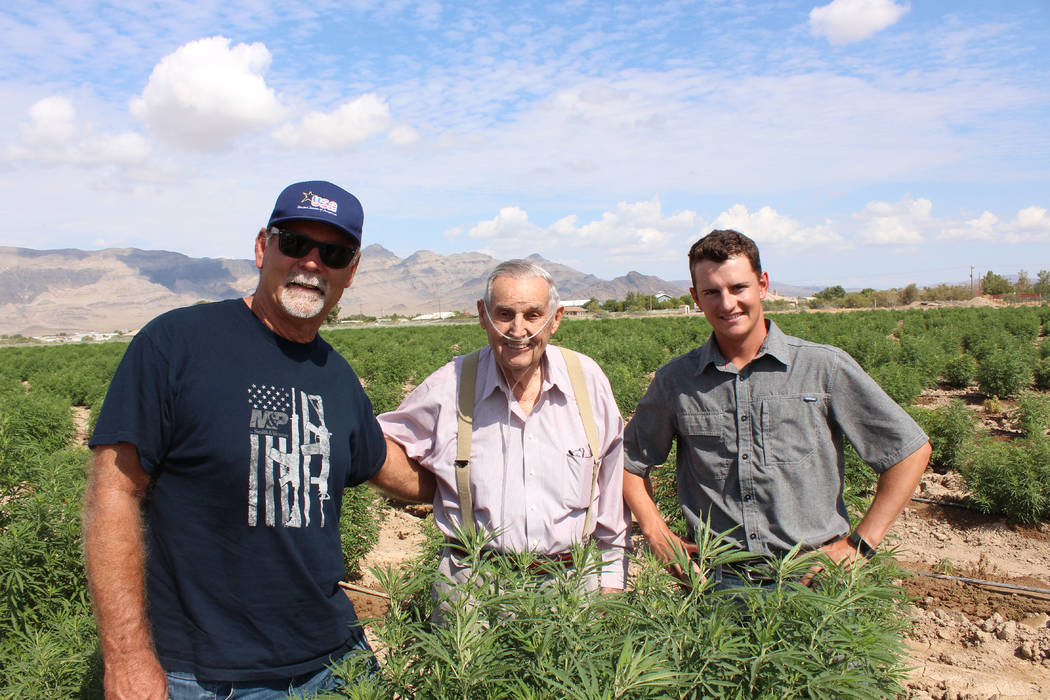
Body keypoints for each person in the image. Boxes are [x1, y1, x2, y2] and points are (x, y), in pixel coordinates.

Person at [82, 181, 432, 700]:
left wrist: (495, 480)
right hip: (201, 677)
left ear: (351, 272)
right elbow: (112, 493)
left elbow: (393, 470)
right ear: (262, 246)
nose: (312, 263)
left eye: (333, 253)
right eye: (294, 243)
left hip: (333, 665)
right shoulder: (176, 343)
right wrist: (128, 659)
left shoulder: (335, 375)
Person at [623, 229, 931, 589]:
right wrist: (656, 533)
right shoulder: (676, 380)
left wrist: (861, 543)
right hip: (718, 582)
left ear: (762, 285)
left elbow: (908, 451)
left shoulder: (823, 367)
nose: (727, 303)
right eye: (712, 292)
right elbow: (629, 463)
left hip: (815, 580)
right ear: (696, 298)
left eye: (738, 288)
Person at [379, 260, 629, 600]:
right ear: (483, 315)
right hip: (472, 589)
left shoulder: (586, 381)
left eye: (533, 315)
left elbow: (611, 481)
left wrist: (612, 575)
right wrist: (437, 486)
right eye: (505, 314)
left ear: (556, 319)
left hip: (572, 585)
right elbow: (379, 445)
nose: (518, 329)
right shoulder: (449, 385)